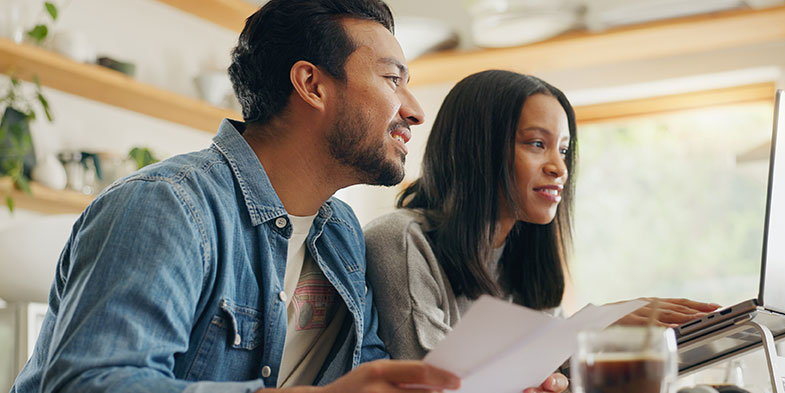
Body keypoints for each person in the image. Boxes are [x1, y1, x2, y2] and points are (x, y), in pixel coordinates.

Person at [7, 1, 556, 392]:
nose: (413, 109)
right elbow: (94, 383)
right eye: (392, 80)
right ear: (311, 85)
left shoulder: (339, 233)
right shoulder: (166, 207)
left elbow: (372, 373)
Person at [364, 70, 721, 364]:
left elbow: (555, 374)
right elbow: (432, 378)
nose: (559, 168)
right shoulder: (400, 238)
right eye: (537, 144)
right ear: (478, 149)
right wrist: (583, 331)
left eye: (564, 150)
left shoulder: (522, 264)